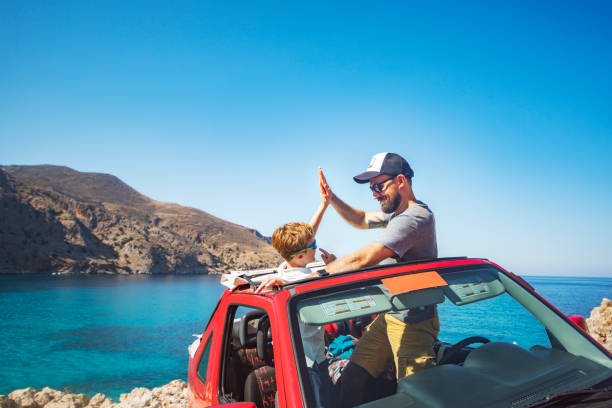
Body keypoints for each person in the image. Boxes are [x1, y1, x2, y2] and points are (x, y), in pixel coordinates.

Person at [320, 152, 438, 408]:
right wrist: (332, 200)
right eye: (371, 188)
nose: (374, 194)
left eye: (378, 186)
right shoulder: (398, 215)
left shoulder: (414, 218)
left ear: (401, 182)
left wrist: (316, 276)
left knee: (416, 398)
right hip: (391, 315)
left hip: (413, 324)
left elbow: (366, 257)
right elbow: (361, 219)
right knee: (353, 377)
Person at [224, 168, 335, 407]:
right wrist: (335, 265)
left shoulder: (284, 267)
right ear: (303, 254)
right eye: (313, 244)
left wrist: (323, 206)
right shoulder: (309, 277)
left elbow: (306, 239)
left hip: (296, 361)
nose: (316, 245)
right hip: (312, 363)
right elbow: (318, 277)